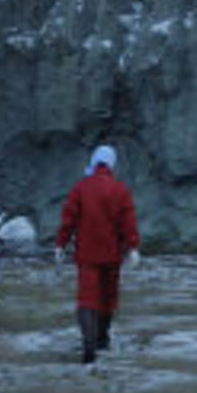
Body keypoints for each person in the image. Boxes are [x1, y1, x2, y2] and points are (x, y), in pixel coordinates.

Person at [54, 144, 140, 365]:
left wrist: (60, 244)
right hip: (111, 255)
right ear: (112, 165)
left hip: (87, 255)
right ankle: (102, 339)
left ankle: (88, 346)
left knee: (87, 300)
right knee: (107, 299)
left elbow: (69, 218)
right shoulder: (121, 190)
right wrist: (132, 248)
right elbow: (127, 223)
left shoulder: (80, 188)